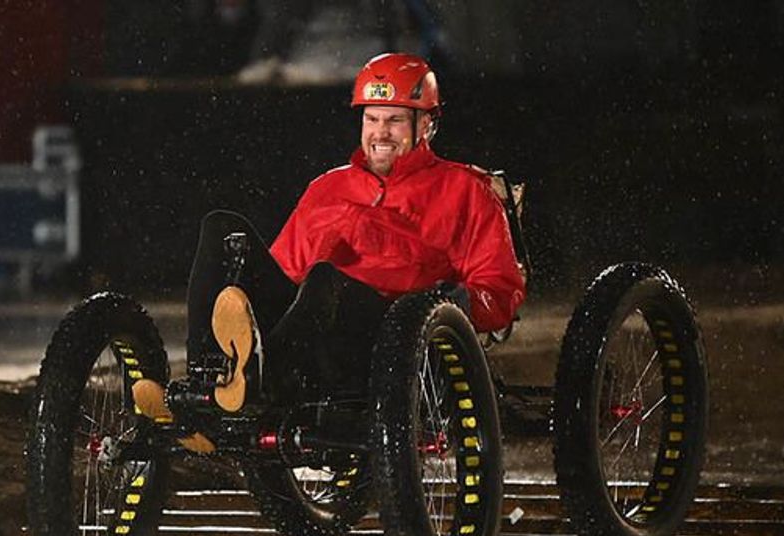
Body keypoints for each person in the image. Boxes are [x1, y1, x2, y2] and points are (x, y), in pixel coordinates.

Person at [135, 52, 526, 450]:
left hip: (388, 337)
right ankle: (205, 386)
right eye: (371, 120)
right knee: (220, 227)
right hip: (309, 329)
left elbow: (499, 291)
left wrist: (444, 305)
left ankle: (258, 383)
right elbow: (285, 271)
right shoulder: (328, 188)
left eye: (394, 120)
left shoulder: (465, 191)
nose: (380, 133)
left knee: (326, 278)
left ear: (425, 124)